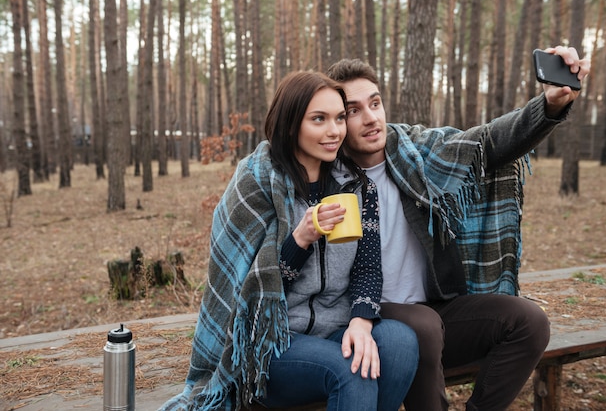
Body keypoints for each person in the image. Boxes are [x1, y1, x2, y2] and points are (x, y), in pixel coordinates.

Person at [327, 45, 591, 411]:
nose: (371, 119)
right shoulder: (325, 178)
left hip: (436, 312)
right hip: (364, 318)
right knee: (422, 325)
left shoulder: (416, 153)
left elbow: (487, 142)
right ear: (337, 120)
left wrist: (550, 104)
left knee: (528, 322)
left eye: (375, 103)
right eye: (353, 111)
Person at [159, 71, 418, 411]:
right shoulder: (258, 184)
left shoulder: (355, 185)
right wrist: (300, 239)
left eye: (340, 118)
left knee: (401, 343)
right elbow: (247, 293)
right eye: (319, 119)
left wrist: (361, 320)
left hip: (336, 327)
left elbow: (368, 267)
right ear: (291, 124)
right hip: (274, 339)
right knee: (350, 371)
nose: (334, 131)